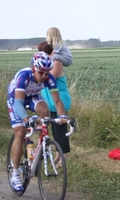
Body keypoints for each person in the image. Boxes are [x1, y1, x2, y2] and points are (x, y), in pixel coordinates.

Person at [7, 51, 68, 192]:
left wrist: (63, 116)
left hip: (33, 96)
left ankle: (42, 142)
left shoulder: (49, 78)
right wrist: (27, 120)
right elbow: (18, 103)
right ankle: (15, 173)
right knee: (20, 132)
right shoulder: (24, 76)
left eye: (47, 73)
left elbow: (57, 101)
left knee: (44, 111)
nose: (44, 76)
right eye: (41, 73)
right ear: (34, 69)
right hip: (16, 98)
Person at [42, 28, 72, 166]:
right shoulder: (51, 60)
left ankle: (64, 156)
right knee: (54, 130)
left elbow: (51, 77)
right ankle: (57, 154)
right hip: (51, 100)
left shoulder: (57, 62)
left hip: (59, 99)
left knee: (60, 129)